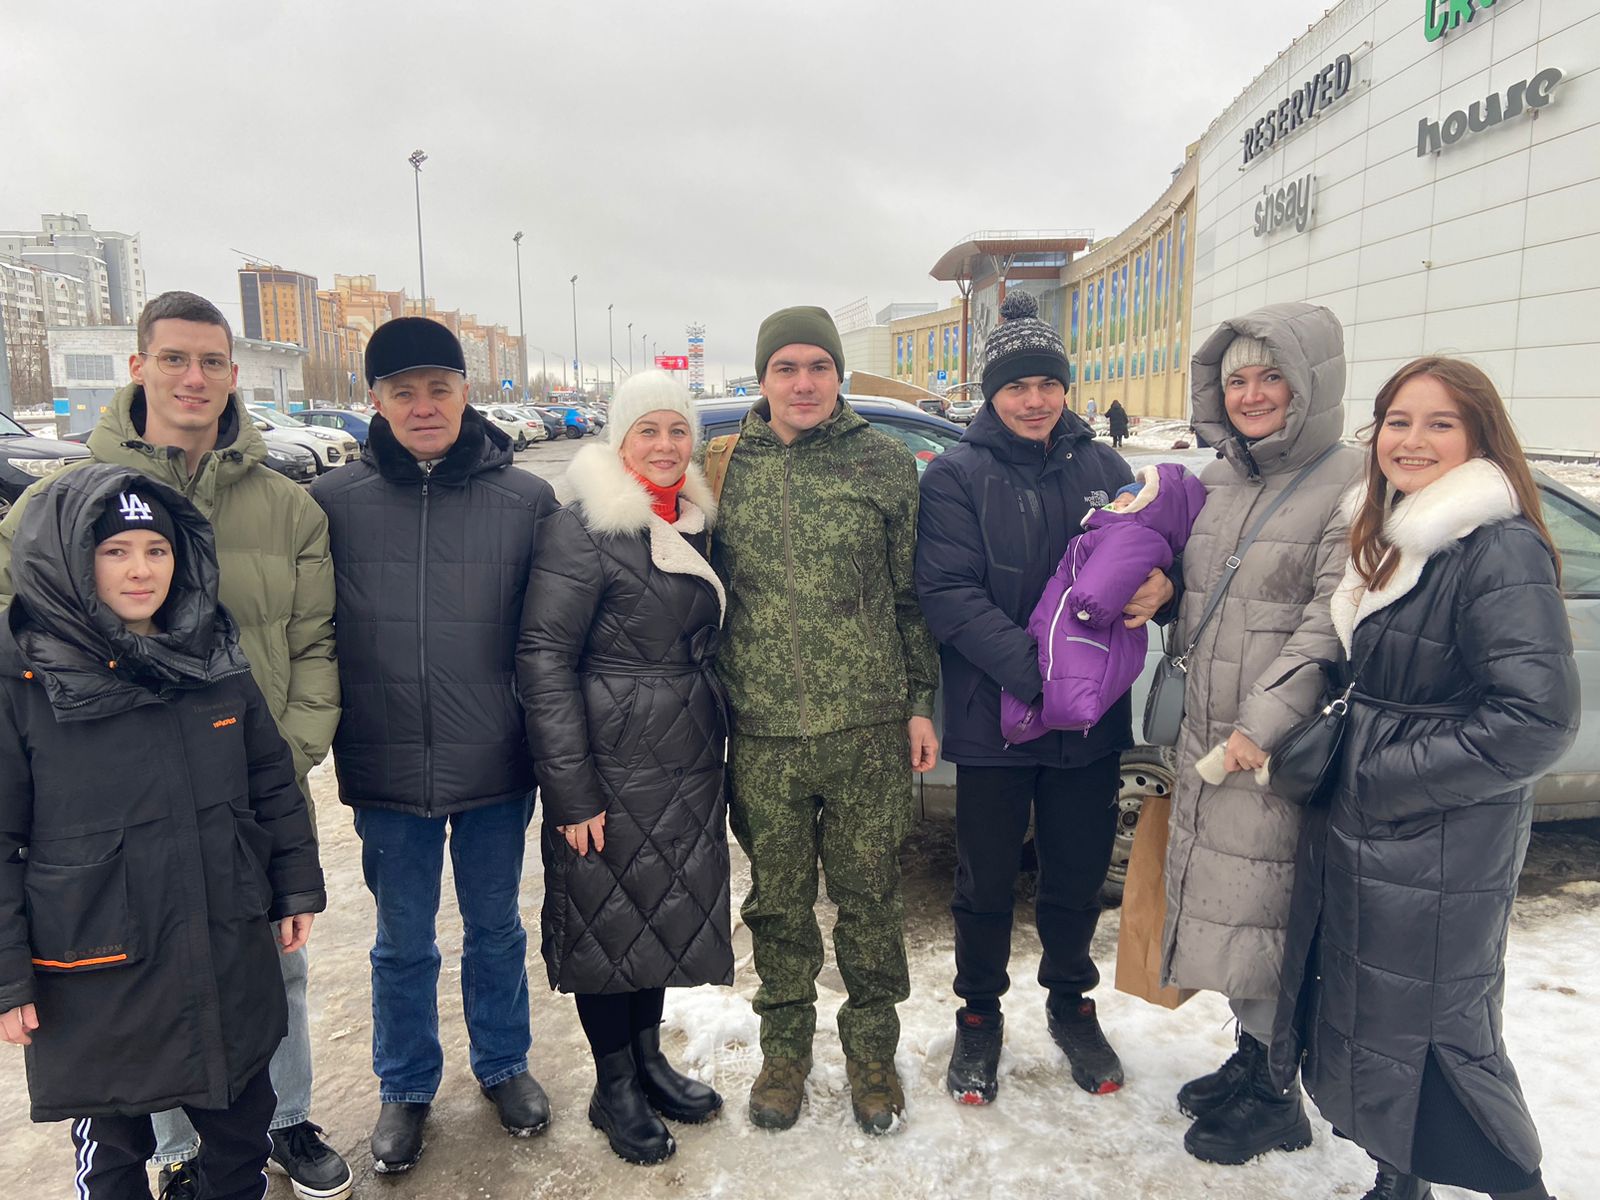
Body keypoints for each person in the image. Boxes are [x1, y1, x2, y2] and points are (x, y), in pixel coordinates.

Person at [0, 290, 347, 1200]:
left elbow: (315, 644)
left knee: (270, 983)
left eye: (212, 362)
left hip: (235, 786)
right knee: (130, 1007)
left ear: (234, 375)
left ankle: (283, 1122)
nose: (194, 378)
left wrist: (291, 752)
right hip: (103, 820)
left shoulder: (285, 504)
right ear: (139, 367)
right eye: (174, 359)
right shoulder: (55, 502)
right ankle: (159, 1150)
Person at [1268, 357, 1579, 1200]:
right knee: (1375, 1017)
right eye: (1397, 421)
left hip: (1438, 837)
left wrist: (1381, 777)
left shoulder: (1495, 545)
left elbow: (1537, 719)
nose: (1411, 440)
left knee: (1442, 1035)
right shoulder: (1403, 535)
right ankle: (1396, 1178)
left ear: (1480, 437)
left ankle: (1517, 1188)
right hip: (1379, 829)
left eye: (1439, 423)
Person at [310, 317, 559, 1173]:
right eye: (403, 391)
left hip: (494, 759)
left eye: (439, 388)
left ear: (466, 394)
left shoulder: (525, 500)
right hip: (385, 765)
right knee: (400, 940)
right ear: (373, 401)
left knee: (495, 928)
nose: (423, 406)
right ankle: (406, 1085)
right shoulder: (333, 504)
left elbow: (554, 635)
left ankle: (503, 1063)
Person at [915, 291, 1175, 1106]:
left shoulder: (1105, 469)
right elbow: (950, 595)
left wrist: (1165, 588)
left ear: (1067, 389)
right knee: (986, 881)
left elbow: (1150, 554)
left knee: (1076, 870)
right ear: (993, 393)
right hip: (997, 718)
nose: (1035, 400)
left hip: (1090, 726)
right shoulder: (957, 475)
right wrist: (1041, 677)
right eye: (1017, 386)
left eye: (1048, 384)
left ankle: (1071, 1002)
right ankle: (979, 1018)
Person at [712, 306, 940, 1135]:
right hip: (763, 733)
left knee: (871, 898)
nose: (803, 383)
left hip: (869, 729)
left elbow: (911, 598)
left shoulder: (883, 465)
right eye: (786, 368)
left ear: (838, 375)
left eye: (818, 366)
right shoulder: (723, 466)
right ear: (763, 377)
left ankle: (873, 1055)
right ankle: (785, 1053)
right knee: (777, 903)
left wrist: (919, 703)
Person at [1160, 302, 1363, 1166]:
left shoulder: (1351, 483)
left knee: (1278, 914)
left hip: (1270, 747)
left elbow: (1331, 618)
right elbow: (1204, 591)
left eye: (1270, 377)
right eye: (1236, 378)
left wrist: (1261, 724)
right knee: (1238, 908)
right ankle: (1252, 1058)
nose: (1251, 395)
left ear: (1309, 385)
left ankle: (1280, 1094)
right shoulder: (1221, 481)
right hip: (1211, 736)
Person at [520, 371, 732, 1165]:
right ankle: (614, 1089)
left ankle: (647, 1062)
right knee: (609, 923)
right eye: (649, 431)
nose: (667, 446)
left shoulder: (693, 518)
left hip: (680, 757)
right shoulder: (584, 528)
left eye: (678, 431)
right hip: (609, 762)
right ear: (619, 440)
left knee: (659, 912)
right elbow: (542, 658)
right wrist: (571, 790)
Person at [1000, 463, 1207, 745]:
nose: (1115, 505)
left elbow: (1107, 576)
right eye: (1116, 500)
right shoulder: (957, 471)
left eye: (1126, 502)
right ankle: (1025, 722)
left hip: (1082, 622)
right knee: (1054, 672)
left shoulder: (1130, 530)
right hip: (1051, 622)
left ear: (1148, 507)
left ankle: (1051, 715)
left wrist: (1091, 605)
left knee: (1073, 677)